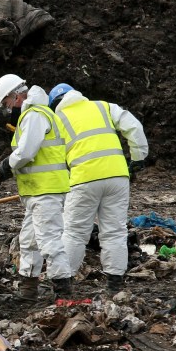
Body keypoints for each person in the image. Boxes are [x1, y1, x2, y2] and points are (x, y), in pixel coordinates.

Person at [48, 83, 149, 292]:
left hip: (84, 179)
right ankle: (115, 285)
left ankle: (63, 285)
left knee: (75, 233)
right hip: (118, 177)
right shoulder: (104, 107)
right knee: (115, 232)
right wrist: (138, 159)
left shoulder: (56, 121)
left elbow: (52, 157)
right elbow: (135, 127)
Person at [0, 74, 73, 302]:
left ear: (15, 96)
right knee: (29, 240)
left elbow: (26, 152)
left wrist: (6, 166)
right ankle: (28, 290)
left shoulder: (34, 115)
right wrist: (4, 171)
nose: (7, 110)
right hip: (36, 192)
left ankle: (63, 291)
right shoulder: (32, 115)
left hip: (47, 190)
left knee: (49, 241)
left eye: (6, 104)